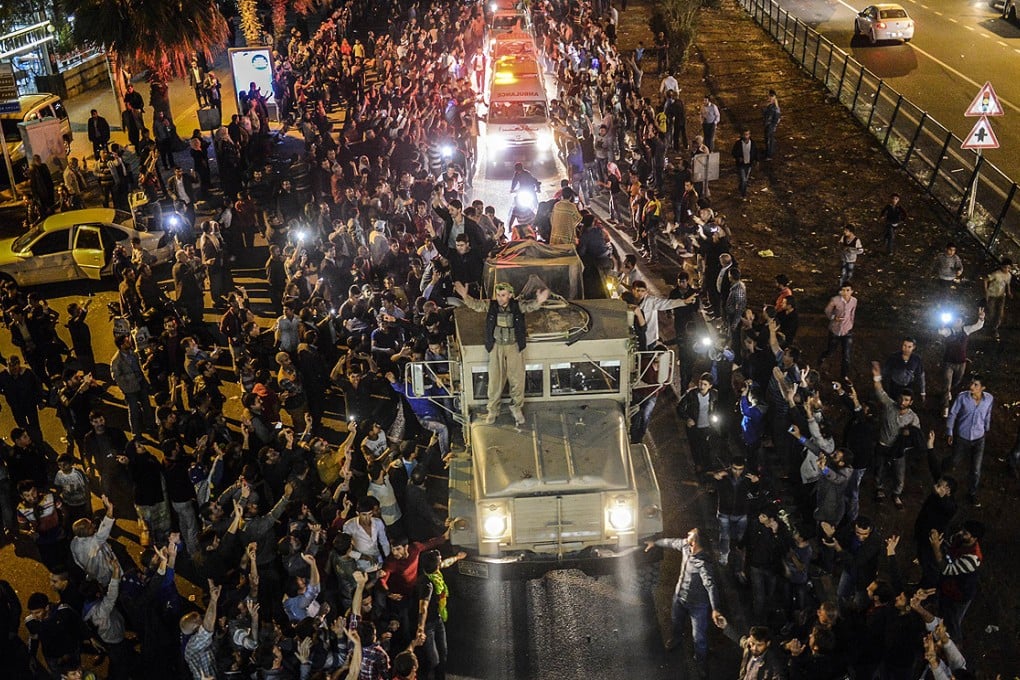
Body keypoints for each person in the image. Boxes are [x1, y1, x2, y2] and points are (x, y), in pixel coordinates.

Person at [453, 280, 549, 426]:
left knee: (517, 379)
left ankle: (516, 407)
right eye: (498, 295)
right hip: (496, 346)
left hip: (514, 346)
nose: (500, 298)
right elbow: (477, 305)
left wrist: (539, 301)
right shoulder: (491, 305)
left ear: (510, 295)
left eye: (503, 295)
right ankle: (493, 409)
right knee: (495, 380)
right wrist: (466, 297)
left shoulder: (517, 306)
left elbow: (529, 307)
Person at [645, 529, 725, 661]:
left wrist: (715, 609)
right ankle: (676, 639)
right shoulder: (685, 546)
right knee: (676, 622)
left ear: (695, 542)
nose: (688, 533)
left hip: (698, 605)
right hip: (679, 598)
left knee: (698, 636)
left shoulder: (703, 564)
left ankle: (700, 658)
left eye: (691, 534)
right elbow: (671, 542)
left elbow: (710, 586)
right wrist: (655, 543)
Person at [930, 520, 984, 642]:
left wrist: (936, 548)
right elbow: (948, 546)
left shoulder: (972, 558)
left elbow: (946, 569)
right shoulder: (959, 539)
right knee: (943, 613)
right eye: (962, 530)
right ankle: (940, 634)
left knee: (953, 621)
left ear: (974, 538)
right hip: (948, 587)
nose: (960, 533)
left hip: (960, 594)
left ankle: (953, 644)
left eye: (965, 533)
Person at [945, 375, 993, 507]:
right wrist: (949, 432)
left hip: (979, 439)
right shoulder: (962, 397)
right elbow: (953, 414)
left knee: (976, 470)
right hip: (962, 437)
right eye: (971, 383)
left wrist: (986, 427)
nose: (971, 386)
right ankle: (946, 463)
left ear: (983, 388)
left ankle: (972, 493)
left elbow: (988, 414)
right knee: (955, 461)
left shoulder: (989, 399)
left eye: (976, 385)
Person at [817, 284, 857, 379]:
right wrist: (834, 318)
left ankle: (844, 376)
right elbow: (827, 311)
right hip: (835, 330)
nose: (845, 293)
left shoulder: (854, 301)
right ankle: (821, 359)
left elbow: (852, 313)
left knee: (846, 355)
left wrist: (851, 324)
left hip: (847, 331)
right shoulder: (835, 300)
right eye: (843, 290)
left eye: (848, 290)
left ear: (852, 291)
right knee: (830, 350)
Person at [982, 258, 1012, 340]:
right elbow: (986, 280)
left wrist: (1009, 292)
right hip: (992, 295)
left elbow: (1007, 284)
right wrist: (986, 291)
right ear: (1002, 267)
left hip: (1001, 296)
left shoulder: (1009, 275)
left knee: (1000, 314)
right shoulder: (996, 274)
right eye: (1005, 267)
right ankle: (988, 326)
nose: (1007, 269)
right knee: (991, 312)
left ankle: (994, 329)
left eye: (1008, 268)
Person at [730, 129, 758, 198]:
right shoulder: (738, 143)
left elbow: (755, 152)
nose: (746, 136)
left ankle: (741, 188)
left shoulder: (753, 143)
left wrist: (757, 161)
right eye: (744, 134)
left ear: (749, 135)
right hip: (741, 165)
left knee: (745, 179)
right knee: (744, 180)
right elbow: (733, 152)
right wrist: (738, 157)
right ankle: (743, 194)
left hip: (749, 164)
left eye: (747, 134)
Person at [762, 89, 781, 160]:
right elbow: (764, 114)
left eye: (771, 96)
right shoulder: (770, 105)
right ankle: (768, 152)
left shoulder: (775, 108)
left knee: (769, 139)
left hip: (770, 125)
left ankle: (769, 155)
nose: (769, 97)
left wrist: (773, 126)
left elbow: (777, 118)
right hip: (767, 124)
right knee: (767, 139)